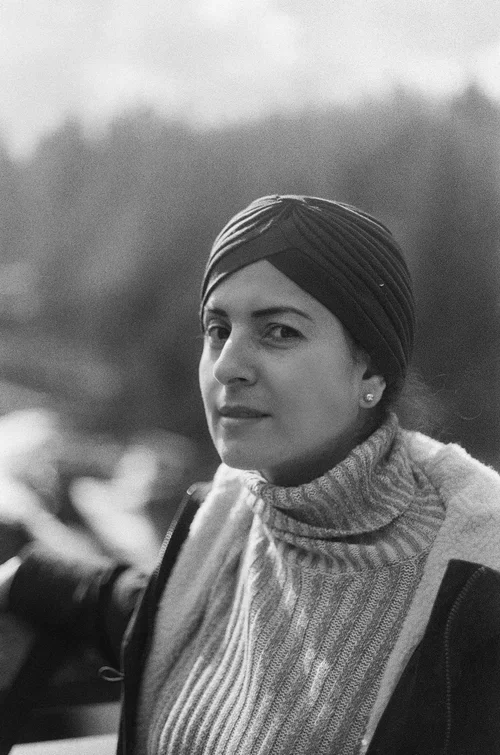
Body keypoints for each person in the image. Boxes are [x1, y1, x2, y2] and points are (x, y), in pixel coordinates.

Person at [2, 194, 500, 755]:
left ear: (372, 373)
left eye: (279, 331)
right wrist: (25, 577)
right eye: (217, 330)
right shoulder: (225, 526)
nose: (227, 366)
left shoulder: (474, 594)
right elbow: (151, 613)